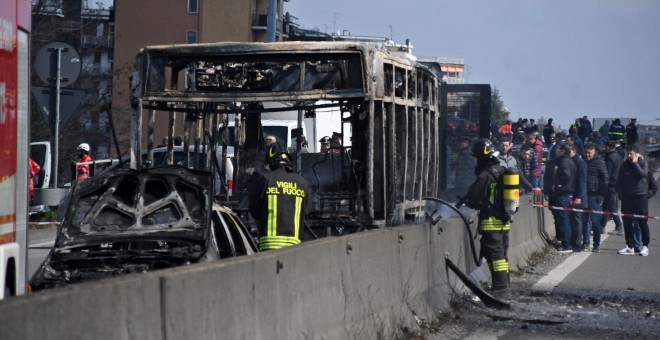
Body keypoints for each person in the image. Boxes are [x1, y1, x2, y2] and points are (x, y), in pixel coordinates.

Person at [463, 138, 511, 293]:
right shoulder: (501, 170)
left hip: (491, 222)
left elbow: (475, 197)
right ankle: (504, 284)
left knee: (496, 257)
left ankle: (501, 287)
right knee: (502, 256)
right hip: (504, 221)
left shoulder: (485, 175)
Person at [248, 142, 311, 251]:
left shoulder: (265, 180)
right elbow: (307, 210)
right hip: (294, 247)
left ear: (271, 162)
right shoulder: (302, 183)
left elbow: (254, 209)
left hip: (269, 247)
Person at [616, 144, 650, 256]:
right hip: (627, 198)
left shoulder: (643, 163)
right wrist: (621, 195)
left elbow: (643, 175)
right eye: (628, 154)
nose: (629, 156)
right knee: (627, 222)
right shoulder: (624, 165)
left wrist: (635, 163)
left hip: (640, 196)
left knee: (642, 222)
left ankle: (645, 246)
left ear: (636, 154)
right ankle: (629, 246)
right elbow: (619, 181)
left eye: (631, 154)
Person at [544, 144, 576, 253]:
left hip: (563, 195)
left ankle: (566, 245)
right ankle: (566, 242)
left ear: (563, 151)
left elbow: (566, 175)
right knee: (564, 220)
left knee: (563, 220)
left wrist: (558, 185)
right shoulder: (571, 161)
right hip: (567, 194)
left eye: (557, 150)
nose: (555, 152)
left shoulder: (564, 161)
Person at [581, 144, 608, 252]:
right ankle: (586, 242)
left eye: (589, 153)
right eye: (586, 152)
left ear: (595, 152)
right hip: (584, 194)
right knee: (584, 220)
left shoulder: (600, 162)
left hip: (595, 195)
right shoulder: (582, 161)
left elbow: (606, 179)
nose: (587, 155)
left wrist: (602, 194)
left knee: (595, 221)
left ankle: (596, 244)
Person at [601, 141, 624, 235]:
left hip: (610, 185)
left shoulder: (610, 158)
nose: (604, 148)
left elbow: (607, 174)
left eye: (605, 146)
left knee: (612, 207)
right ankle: (602, 226)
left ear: (609, 147)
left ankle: (619, 226)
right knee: (606, 206)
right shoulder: (619, 156)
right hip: (617, 184)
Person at [569, 144, 587, 252]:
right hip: (574, 195)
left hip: (578, 196)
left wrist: (579, 196)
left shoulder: (580, 163)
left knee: (577, 220)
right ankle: (574, 241)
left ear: (574, 151)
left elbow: (581, 181)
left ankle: (577, 244)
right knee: (574, 220)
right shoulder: (573, 161)